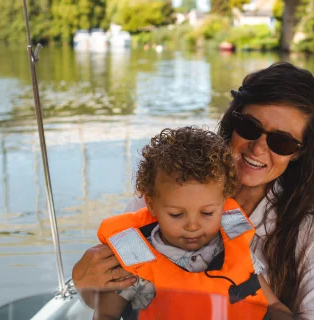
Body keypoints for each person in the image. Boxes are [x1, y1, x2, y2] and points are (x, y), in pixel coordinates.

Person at [73, 62, 314, 319]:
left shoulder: (309, 233)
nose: (258, 148)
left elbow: (267, 302)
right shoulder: (161, 195)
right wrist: (83, 281)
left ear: (299, 154)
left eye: (282, 142)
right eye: (249, 127)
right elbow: (108, 300)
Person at [92, 126, 291, 319]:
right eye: (177, 215)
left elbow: (273, 305)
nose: (193, 226)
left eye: (207, 213)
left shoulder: (234, 250)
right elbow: (107, 314)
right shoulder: (135, 257)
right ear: (152, 205)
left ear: (223, 203)